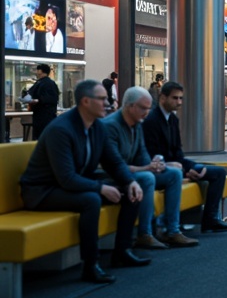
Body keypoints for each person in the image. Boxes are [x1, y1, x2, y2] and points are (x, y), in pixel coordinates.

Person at [19, 78, 147, 284]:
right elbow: (67, 178)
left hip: (70, 184)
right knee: (91, 200)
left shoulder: (97, 127)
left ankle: (122, 252)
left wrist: (130, 181)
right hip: (42, 191)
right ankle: (91, 265)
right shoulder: (60, 130)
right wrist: (101, 188)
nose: (108, 103)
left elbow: (113, 161)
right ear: (86, 102)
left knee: (130, 192)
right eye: (102, 99)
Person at [101, 86, 197, 250]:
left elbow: (143, 154)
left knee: (173, 173)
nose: (147, 112)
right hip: (111, 176)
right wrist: (147, 168)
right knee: (147, 178)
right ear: (131, 106)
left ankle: (172, 230)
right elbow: (115, 165)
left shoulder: (137, 123)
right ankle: (145, 234)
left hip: (131, 171)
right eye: (144, 108)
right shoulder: (110, 126)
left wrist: (155, 165)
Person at [142, 81, 227, 232]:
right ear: (162, 98)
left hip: (177, 166)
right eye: (175, 98)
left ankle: (210, 218)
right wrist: (185, 170)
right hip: (162, 169)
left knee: (218, 172)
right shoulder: (151, 121)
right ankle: (171, 226)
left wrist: (192, 167)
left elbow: (178, 153)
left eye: (181, 98)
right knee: (178, 172)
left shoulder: (172, 119)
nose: (179, 102)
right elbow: (154, 155)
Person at [22, 63, 60, 138]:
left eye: (38, 70)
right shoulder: (49, 83)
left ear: (41, 71)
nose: (36, 72)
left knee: (40, 138)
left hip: (43, 117)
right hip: (45, 117)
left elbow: (50, 99)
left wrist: (37, 100)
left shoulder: (44, 83)